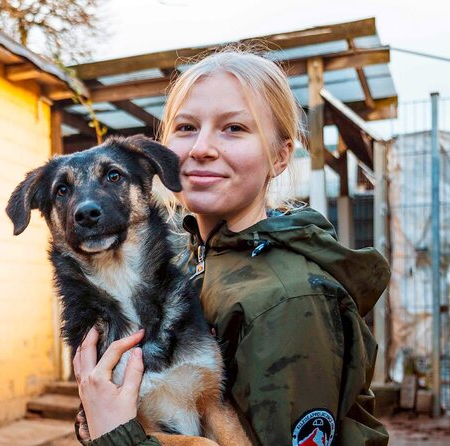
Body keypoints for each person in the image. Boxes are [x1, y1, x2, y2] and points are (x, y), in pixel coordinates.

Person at [72, 49, 391, 446]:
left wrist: (118, 438)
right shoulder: (195, 262)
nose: (202, 147)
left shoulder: (288, 299)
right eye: (186, 127)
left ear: (279, 156)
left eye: (234, 128)